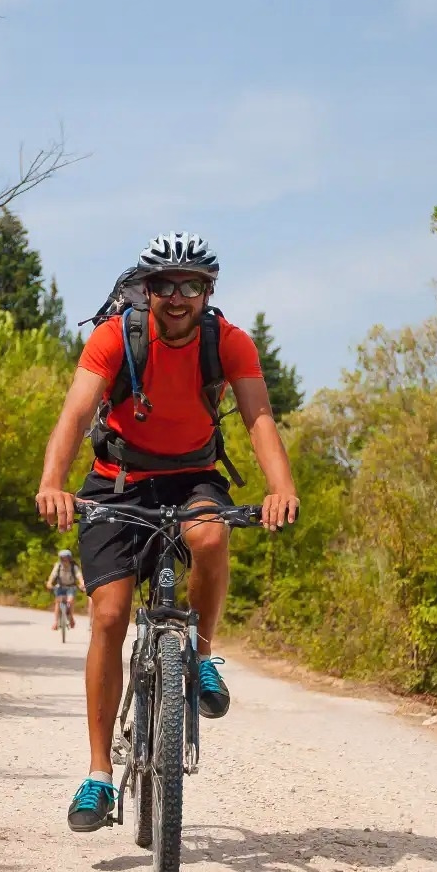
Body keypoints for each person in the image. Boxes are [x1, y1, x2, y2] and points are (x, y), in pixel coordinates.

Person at [36, 231, 298, 833]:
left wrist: (281, 489)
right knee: (107, 615)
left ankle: (202, 656)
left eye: (192, 286)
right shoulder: (115, 337)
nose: (178, 298)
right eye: (165, 285)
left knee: (209, 538)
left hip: (193, 477)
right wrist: (54, 481)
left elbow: (258, 417)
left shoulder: (227, 342)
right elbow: (75, 413)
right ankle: (99, 776)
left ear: (209, 291)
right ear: (146, 288)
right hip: (117, 479)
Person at [45, 549, 83, 631]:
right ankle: (55, 622)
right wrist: (49, 583)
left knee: (71, 600)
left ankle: (71, 617)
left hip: (71, 587)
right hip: (60, 586)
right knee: (58, 601)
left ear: (70, 558)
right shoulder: (58, 565)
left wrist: (82, 584)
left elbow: (79, 576)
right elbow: (53, 575)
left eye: (66, 558)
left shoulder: (74, 567)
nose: (64, 560)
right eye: (62, 558)